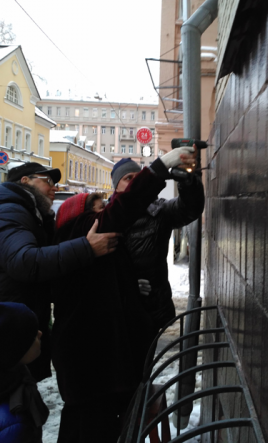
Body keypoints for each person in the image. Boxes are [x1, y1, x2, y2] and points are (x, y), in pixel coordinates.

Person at [51, 148, 196, 443]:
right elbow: (122, 209)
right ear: (77, 220)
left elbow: (102, 283)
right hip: (93, 366)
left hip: (109, 357)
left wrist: (134, 292)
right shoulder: (83, 232)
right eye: (96, 206)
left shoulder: (98, 247)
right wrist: (157, 170)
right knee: (91, 425)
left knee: (95, 423)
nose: (103, 209)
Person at [0, 162, 119, 382]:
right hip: (8, 331)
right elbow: (24, 262)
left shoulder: (31, 213)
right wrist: (86, 248)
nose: (54, 187)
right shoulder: (10, 209)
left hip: (16, 326)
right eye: (48, 181)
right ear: (25, 181)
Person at [111, 152, 205, 338]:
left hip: (151, 310)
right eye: (128, 178)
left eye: (138, 178)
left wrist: (188, 181)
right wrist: (125, 286)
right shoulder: (105, 216)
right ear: (116, 186)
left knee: (142, 364)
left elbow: (190, 208)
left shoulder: (159, 211)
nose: (134, 182)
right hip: (115, 309)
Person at [0, 302, 49, 443]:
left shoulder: (13, 376)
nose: (40, 333)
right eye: (32, 335)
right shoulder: (15, 425)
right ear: (14, 350)